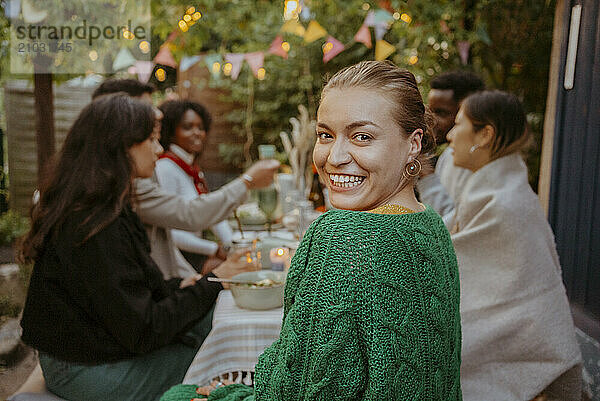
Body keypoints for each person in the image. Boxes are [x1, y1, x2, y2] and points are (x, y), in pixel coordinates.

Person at [161, 60, 462, 401]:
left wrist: (222, 394)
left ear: (413, 143)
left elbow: (297, 391)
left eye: (361, 137)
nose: (334, 156)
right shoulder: (429, 224)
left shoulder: (343, 235)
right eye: (325, 135)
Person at [18, 94, 256, 401]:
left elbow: (133, 292)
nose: (159, 150)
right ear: (122, 146)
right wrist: (216, 279)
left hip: (102, 347)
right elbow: (143, 329)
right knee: (223, 359)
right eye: (152, 140)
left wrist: (185, 285)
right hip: (83, 367)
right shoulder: (92, 225)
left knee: (218, 327)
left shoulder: (108, 206)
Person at [445, 90, 581, 400]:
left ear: (485, 134)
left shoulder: (505, 205)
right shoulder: (496, 195)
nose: (451, 135)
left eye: (459, 124)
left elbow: (461, 275)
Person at [91, 79, 280, 279]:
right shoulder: (150, 171)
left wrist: (227, 245)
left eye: (201, 127)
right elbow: (188, 214)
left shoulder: (185, 167)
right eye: (147, 109)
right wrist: (248, 181)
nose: (157, 115)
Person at [154, 100, 232, 274]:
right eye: (188, 127)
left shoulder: (191, 168)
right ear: (171, 132)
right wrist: (214, 249)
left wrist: (231, 244)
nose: (197, 133)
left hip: (199, 250)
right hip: (180, 255)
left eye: (200, 127)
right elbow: (168, 231)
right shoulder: (165, 168)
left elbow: (211, 211)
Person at [417, 71, 485, 224]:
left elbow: (456, 224)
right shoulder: (449, 154)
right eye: (431, 111)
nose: (432, 121)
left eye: (441, 113)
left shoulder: (476, 161)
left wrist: (427, 177)